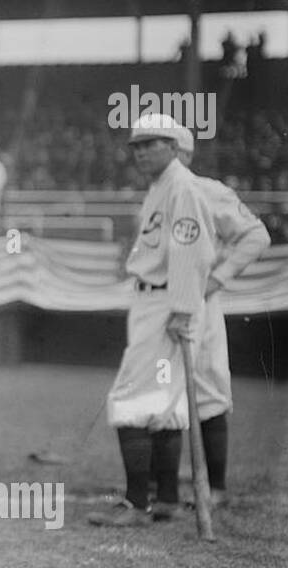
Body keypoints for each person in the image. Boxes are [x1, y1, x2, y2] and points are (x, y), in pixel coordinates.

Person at [91, 115, 216, 527]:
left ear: (175, 146)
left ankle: (136, 503)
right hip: (155, 302)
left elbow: (191, 252)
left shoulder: (182, 187)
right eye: (136, 146)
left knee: (130, 399)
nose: (141, 151)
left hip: (166, 304)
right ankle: (164, 498)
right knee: (162, 402)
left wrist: (181, 308)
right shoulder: (162, 188)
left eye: (151, 143)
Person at [171, 126, 271, 509]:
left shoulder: (207, 191)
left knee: (208, 390)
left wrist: (218, 278)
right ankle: (162, 486)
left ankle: (215, 487)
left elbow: (256, 236)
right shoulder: (153, 198)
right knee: (158, 390)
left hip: (198, 302)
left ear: (184, 154)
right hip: (159, 305)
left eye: (166, 149)